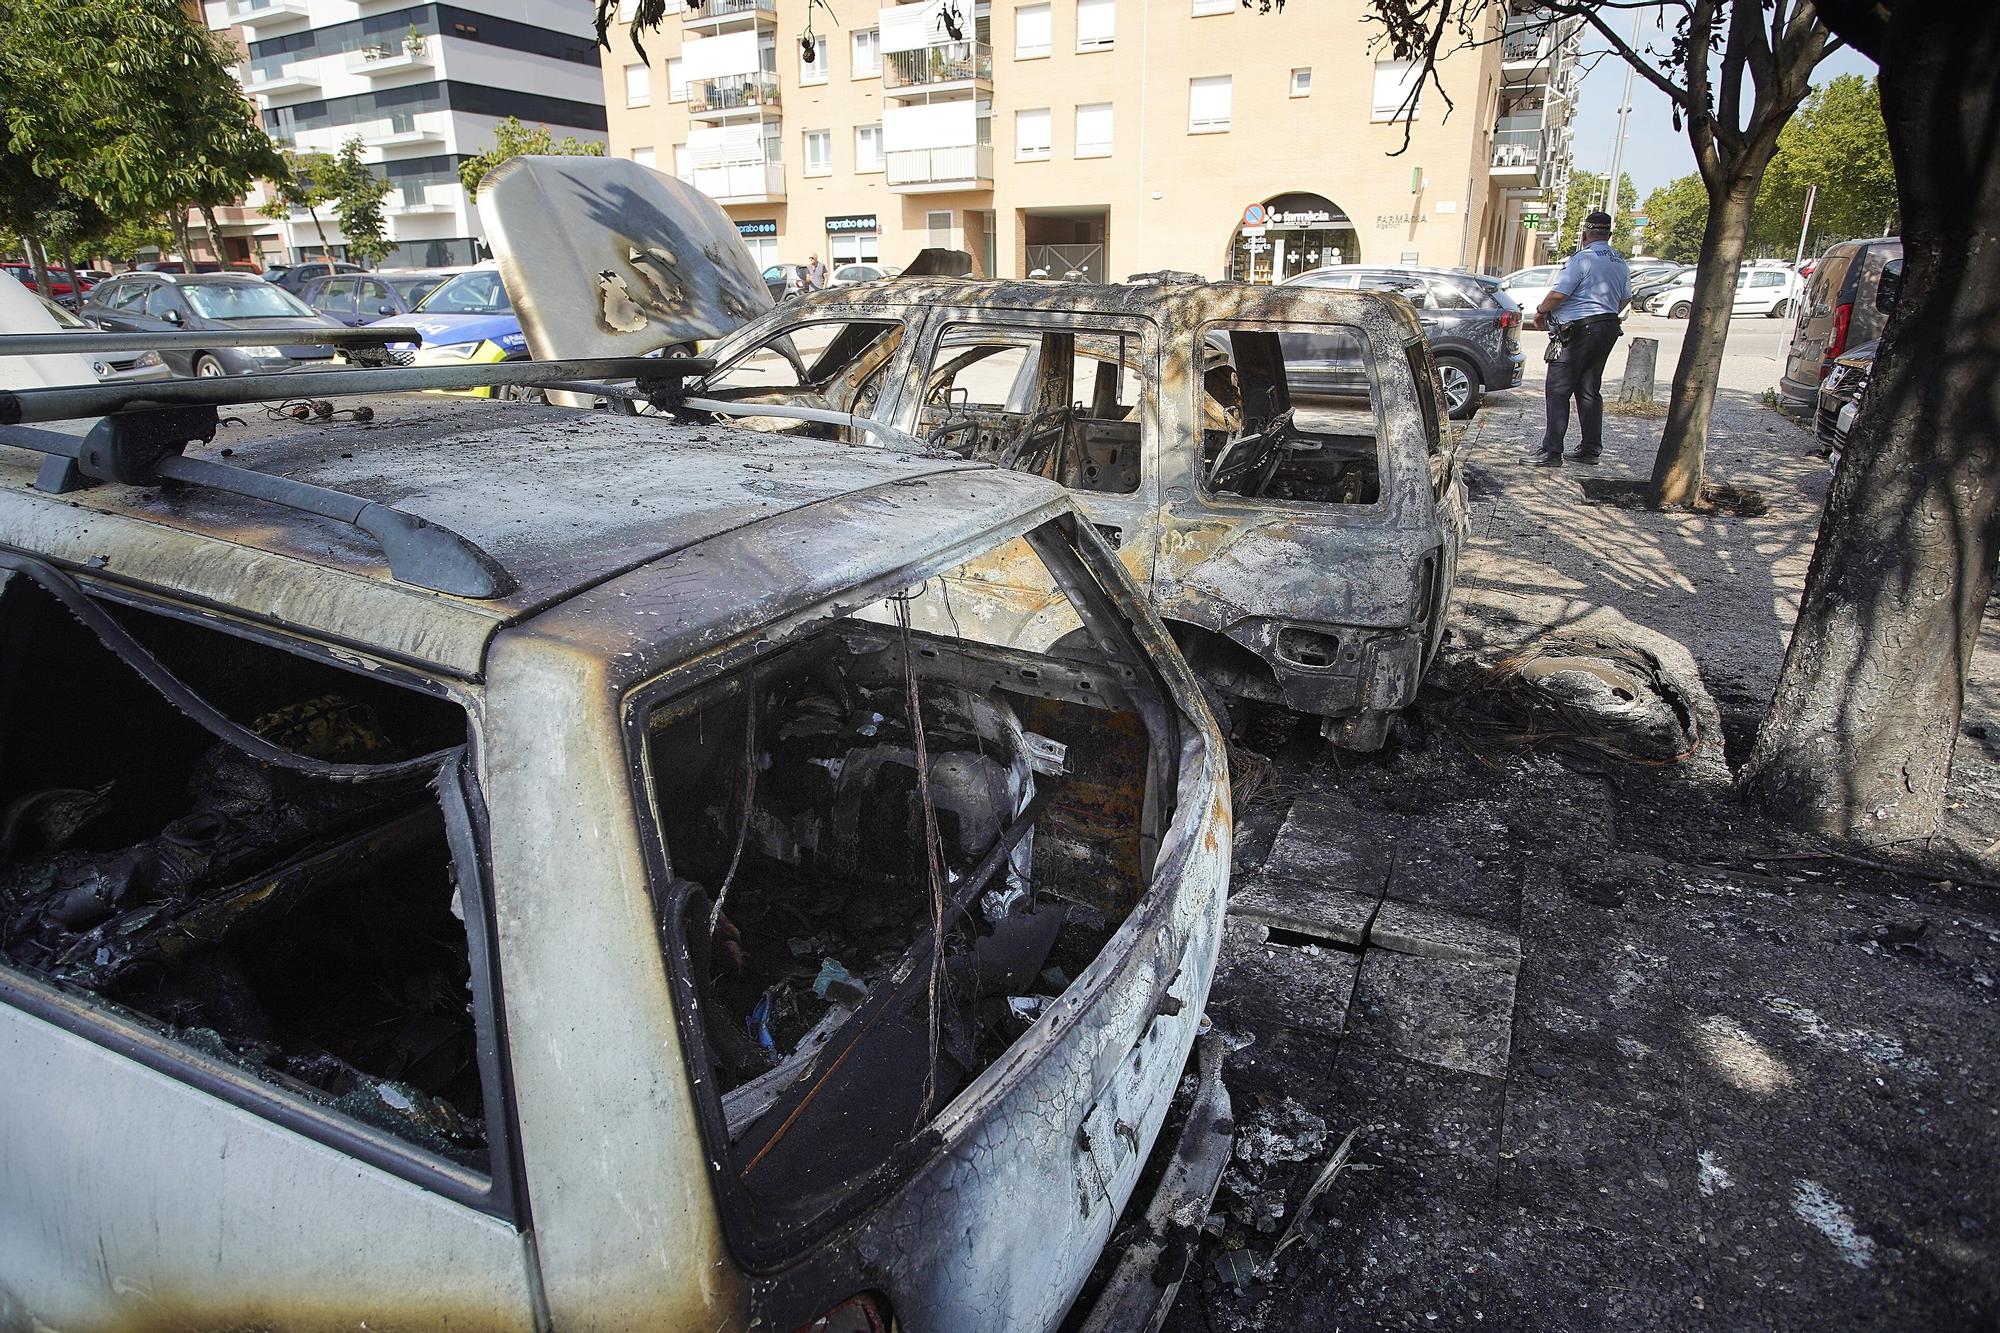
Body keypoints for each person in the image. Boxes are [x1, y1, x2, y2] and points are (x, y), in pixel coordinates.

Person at [1523, 211, 1631, 466]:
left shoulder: (1582, 259)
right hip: (1607, 327)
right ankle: (1591, 449)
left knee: (1558, 388)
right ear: (1609, 234)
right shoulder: (1619, 261)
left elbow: (1559, 294)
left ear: (1585, 235)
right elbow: (1626, 298)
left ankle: (1552, 451)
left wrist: (1540, 312)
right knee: (1589, 389)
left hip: (1579, 330)